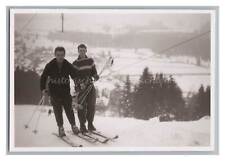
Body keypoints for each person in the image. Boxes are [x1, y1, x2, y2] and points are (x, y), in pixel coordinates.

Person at [40, 46, 79, 137]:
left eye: (62, 55)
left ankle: (73, 126)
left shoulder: (67, 64)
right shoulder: (50, 65)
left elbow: (74, 75)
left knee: (69, 110)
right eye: (58, 55)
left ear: (64, 55)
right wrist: (43, 89)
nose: (60, 57)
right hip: (54, 92)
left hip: (65, 92)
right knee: (57, 111)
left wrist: (77, 85)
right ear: (55, 55)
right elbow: (43, 77)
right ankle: (60, 128)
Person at [72, 44, 99, 133]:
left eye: (84, 50)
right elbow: (74, 77)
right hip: (80, 88)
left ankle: (90, 124)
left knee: (92, 105)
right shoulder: (75, 63)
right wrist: (80, 83)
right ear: (78, 51)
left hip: (90, 86)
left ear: (86, 51)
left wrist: (95, 76)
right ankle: (82, 125)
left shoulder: (90, 61)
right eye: (80, 50)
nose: (82, 52)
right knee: (81, 107)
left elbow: (94, 72)